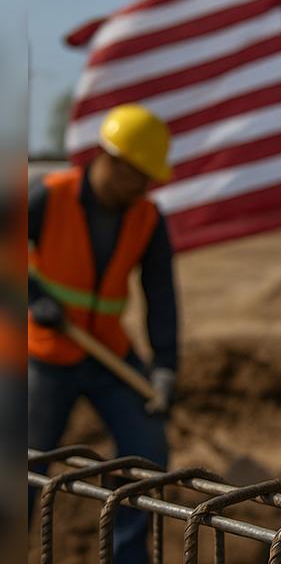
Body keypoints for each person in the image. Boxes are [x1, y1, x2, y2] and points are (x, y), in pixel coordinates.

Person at [28, 104, 179, 564]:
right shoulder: (47, 196)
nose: (143, 187)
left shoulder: (147, 217)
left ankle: (127, 556)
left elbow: (162, 296)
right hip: (45, 354)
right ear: (110, 159)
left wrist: (166, 366)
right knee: (26, 461)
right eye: (138, 176)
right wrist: (32, 295)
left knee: (147, 447)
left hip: (108, 355)